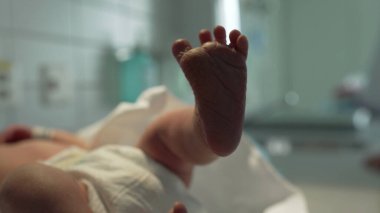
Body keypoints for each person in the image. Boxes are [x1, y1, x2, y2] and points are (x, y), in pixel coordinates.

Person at [0, 25, 248, 213]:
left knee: (161, 134)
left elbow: (84, 144)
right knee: (30, 184)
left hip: (109, 171)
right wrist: (41, 134)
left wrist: (41, 133)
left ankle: (203, 132)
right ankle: (200, 137)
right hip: (113, 187)